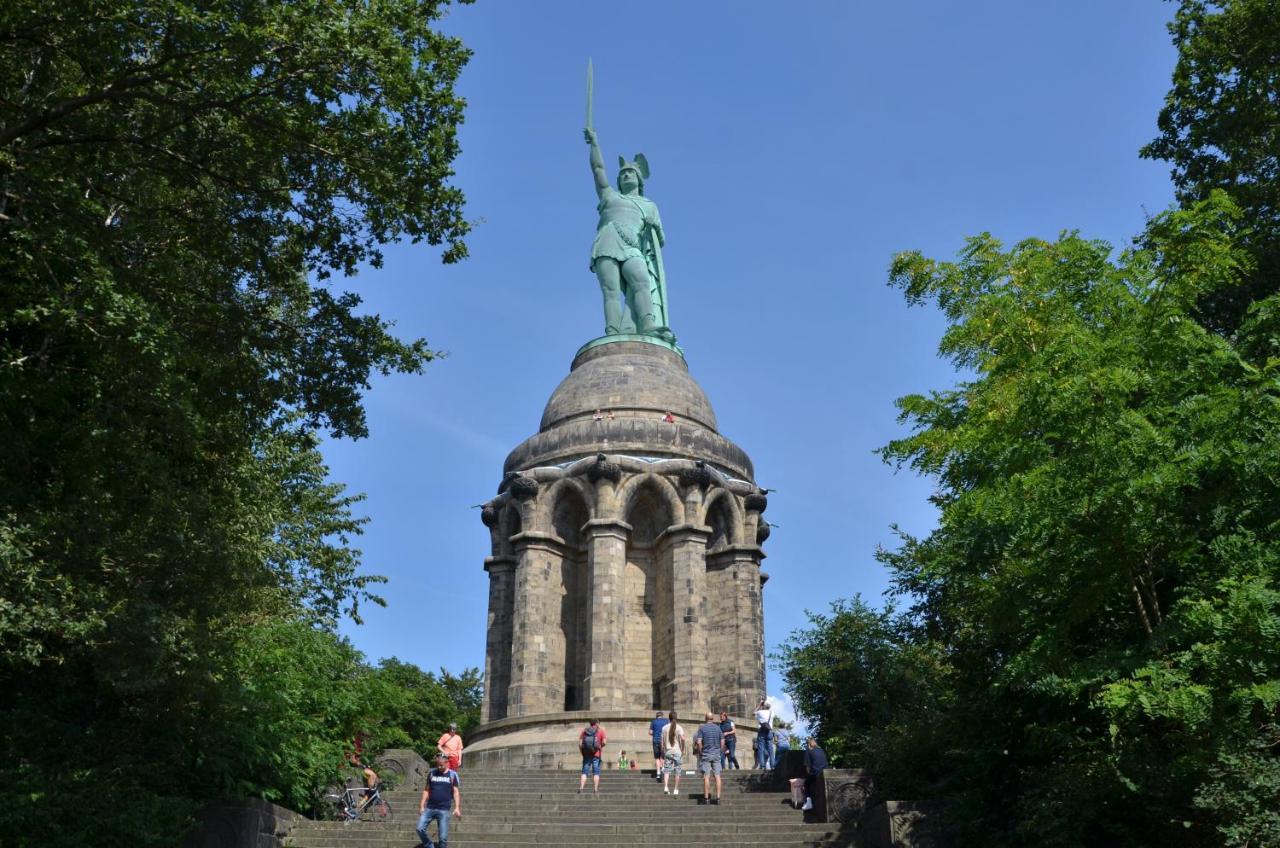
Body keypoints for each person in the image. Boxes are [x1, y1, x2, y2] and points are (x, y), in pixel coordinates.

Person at [583, 127, 673, 341]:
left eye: (630, 172)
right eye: (622, 173)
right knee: (611, 291)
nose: (626, 175)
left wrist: (653, 226)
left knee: (641, 281)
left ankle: (648, 324)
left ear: (639, 180)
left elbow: (659, 241)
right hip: (607, 242)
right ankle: (613, 331)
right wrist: (594, 143)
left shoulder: (650, 206)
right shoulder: (610, 196)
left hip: (633, 248)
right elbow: (598, 169)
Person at [417, 752, 461, 848]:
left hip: (444, 809)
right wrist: (421, 806)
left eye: (441, 765)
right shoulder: (432, 773)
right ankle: (429, 845)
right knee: (419, 828)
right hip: (429, 808)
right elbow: (426, 790)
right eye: (437, 765)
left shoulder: (452, 775)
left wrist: (457, 807)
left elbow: (456, 792)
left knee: (443, 838)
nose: (439, 767)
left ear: (447, 762)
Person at [693, 711, 724, 805]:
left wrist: (701, 752)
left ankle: (706, 798)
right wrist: (720, 751)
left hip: (706, 754)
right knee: (717, 776)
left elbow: (698, 742)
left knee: (706, 776)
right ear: (713, 718)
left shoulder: (702, 728)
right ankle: (718, 798)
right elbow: (722, 741)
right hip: (716, 754)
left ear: (705, 719)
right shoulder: (718, 728)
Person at [346, 730, 378, 800]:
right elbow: (352, 759)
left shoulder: (359, 743)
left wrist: (364, 764)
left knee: (374, 775)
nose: (367, 739)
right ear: (362, 736)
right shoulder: (356, 743)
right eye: (366, 737)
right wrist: (361, 765)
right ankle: (367, 796)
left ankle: (367, 796)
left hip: (355, 766)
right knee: (372, 775)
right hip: (351, 767)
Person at [578, 719, 606, 798]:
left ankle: (581, 788)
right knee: (596, 772)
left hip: (586, 754)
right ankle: (595, 789)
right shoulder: (600, 731)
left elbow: (580, 744)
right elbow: (604, 742)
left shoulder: (584, 731)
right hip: (596, 755)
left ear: (590, 723)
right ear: (597, 723)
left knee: (584, 772)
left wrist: (583, 753)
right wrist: (599, 747)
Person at [660, 710, 686, 796]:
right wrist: (682, 748)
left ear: (669, 718)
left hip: (668, 751)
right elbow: (682, 739)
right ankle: (675, 789)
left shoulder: (664, 728)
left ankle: (666, 787)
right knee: (677, 770)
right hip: (677, 751)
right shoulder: (679, 727)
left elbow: (662, 742)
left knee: (666, 770)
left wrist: (662, 751)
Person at [801, 737, 829, 812]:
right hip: (826, 772)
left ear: (808, 744)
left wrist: (809, 774)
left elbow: (807, 767)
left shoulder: (808, 750)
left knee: (806, 784)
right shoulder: (821, 750)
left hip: (816, 773)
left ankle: (808, 802)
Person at [753, 697, 773, 770]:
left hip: (761, 731)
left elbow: (753, 713)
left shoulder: (760, 712)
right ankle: (772, 765)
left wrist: (759, 705)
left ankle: (762, 765)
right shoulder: (771, 712)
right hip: (769, 731)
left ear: (763, 706)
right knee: (770, 749)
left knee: (761, 749)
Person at [649, 711, 669, 780]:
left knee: (657, 758)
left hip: (655, 741)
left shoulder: (653, 722)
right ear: (662, 716)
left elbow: (650, 732)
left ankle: (658, 773)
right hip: (663, 741)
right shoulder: (666, 721)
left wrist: (655, 733)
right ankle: (663, 768)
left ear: (656, 716)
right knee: (662, 756)